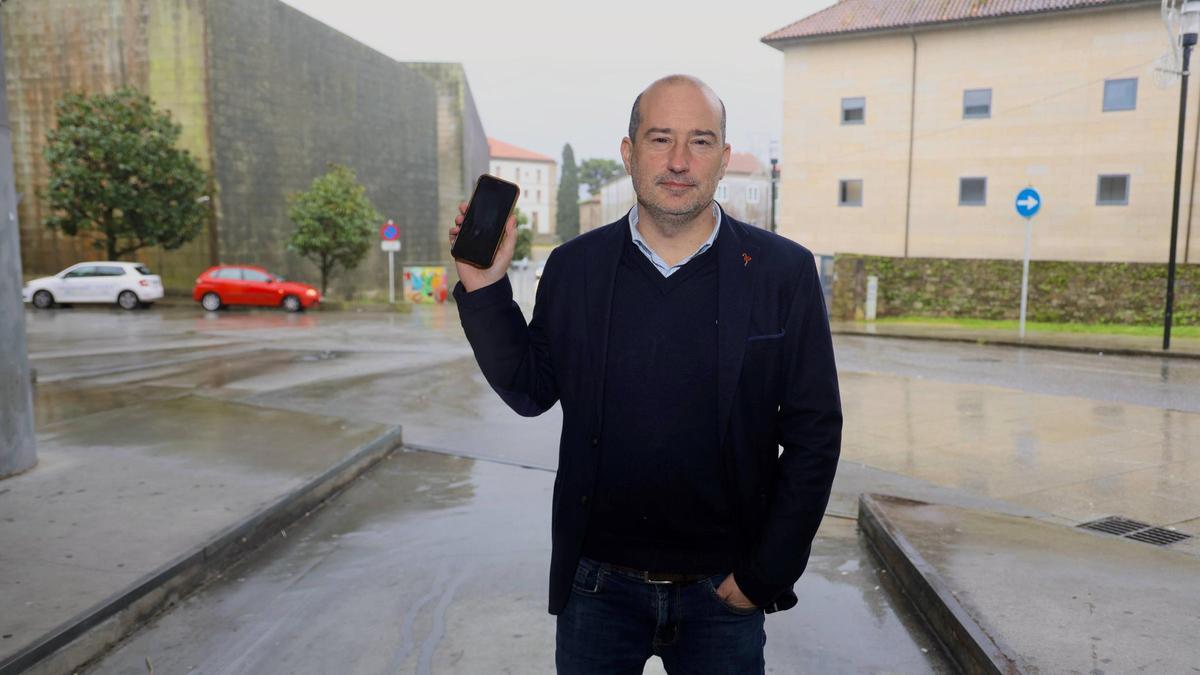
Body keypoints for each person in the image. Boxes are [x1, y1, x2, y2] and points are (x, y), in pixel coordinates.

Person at [450, 74, 841, 674]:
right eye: (661, 139)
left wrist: (764, 574)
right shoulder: (574, 267)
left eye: (700, 141)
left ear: (723, 158)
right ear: (629, 153)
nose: (680, 161)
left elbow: (815, 434)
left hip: (724, 593)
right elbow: (530, 389)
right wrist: (484, 287)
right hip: (596, 588)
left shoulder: (782, 272)